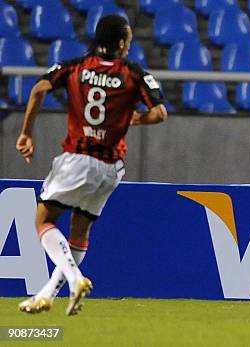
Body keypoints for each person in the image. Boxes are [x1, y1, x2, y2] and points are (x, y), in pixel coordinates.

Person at [15, 15, 167, 315]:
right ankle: (47, 294)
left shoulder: (74, 67)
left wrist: (26, 132)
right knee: (79, 231)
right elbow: (160, 113)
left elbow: (38, 90)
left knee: (43, 220)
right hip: (110, 168)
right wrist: (135, 119)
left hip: (78, 158)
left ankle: (75, 278)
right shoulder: (135, 74)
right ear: (122, 43)